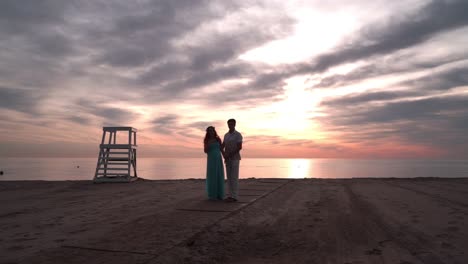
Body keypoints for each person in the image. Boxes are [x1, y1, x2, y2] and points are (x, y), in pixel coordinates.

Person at [222, 119, 243, 202]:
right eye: (229, 124)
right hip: (227, 159)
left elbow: (239, 147)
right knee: (229, 177)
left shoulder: (238, 135)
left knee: (234, 177)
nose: (230, 125)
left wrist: (230, 154)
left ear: (235, 124)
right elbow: (223, 145)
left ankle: (234, 196)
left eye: (232, 124)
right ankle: (230, 195)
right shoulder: (226, 135)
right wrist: (223, 154)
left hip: (235, 158)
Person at [204, 126, 225, 200]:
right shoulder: (206, 140)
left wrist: (225, 157)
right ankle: (212, 194)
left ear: (214, 131)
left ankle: (220, 194)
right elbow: (205, 151)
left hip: (218, 158)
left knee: (219, 174)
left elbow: (221, 149)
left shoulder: (218, 139)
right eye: (209, 131)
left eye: (212, 130)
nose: (211, 132)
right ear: (208, 132)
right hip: (211, 159)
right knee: (212, 175)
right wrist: (209, 144)